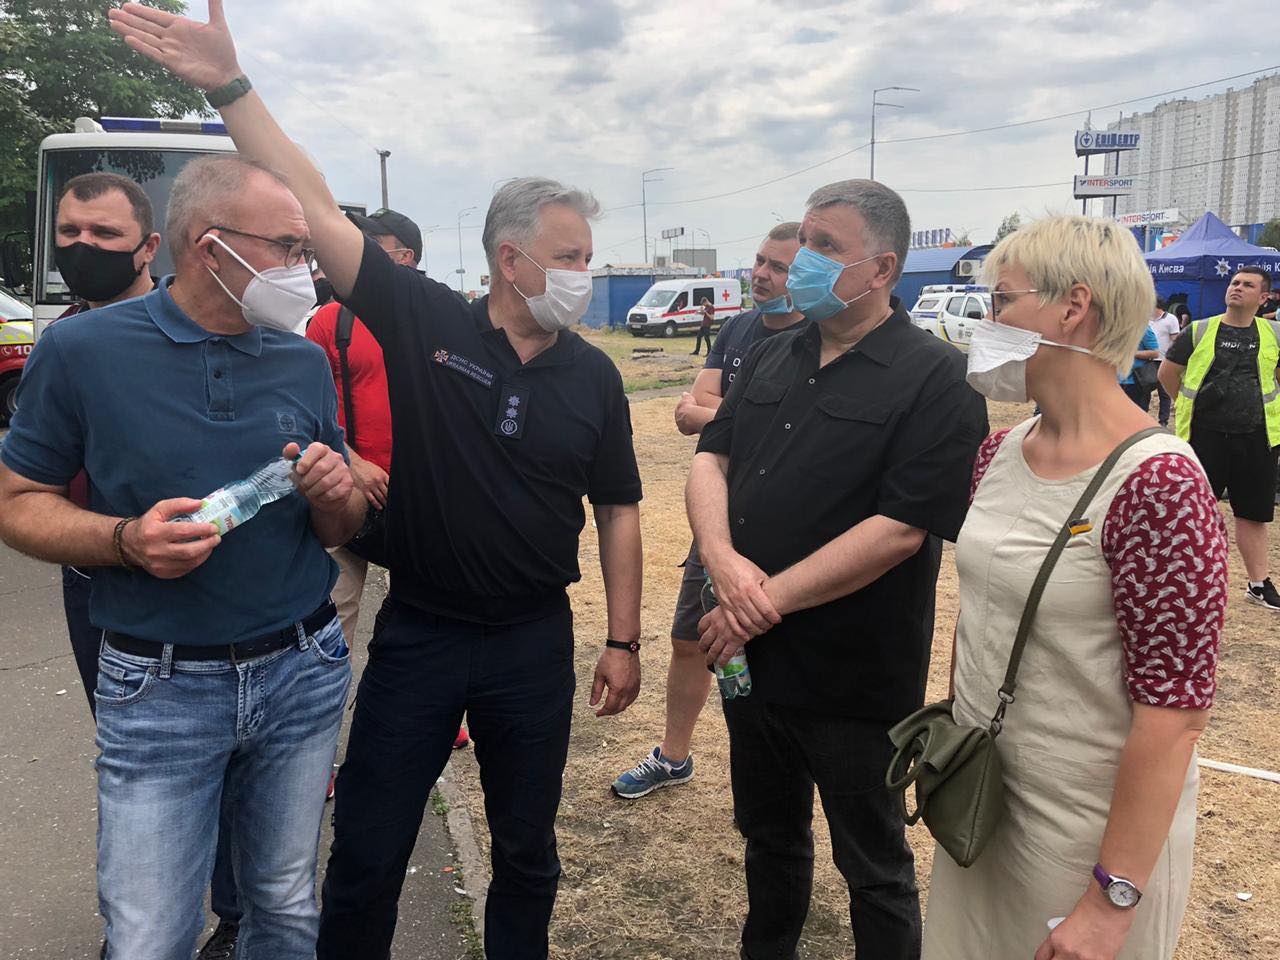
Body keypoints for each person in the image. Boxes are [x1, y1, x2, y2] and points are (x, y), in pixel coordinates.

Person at [108, 7, 645, 957]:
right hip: (423, 632)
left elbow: (619, 510)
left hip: (532, 641)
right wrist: (230, 86)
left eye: (587, 260)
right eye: (569, 259)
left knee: (527, 852)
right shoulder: (427, 320)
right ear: (510, 260)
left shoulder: (595, 375)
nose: (583, 274)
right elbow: (316, 208)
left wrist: (624, 638)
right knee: (367, 844)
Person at [0, 153, 366, 959]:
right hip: (158, 685)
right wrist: (125, 541)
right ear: (211, 247)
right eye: (288, 247)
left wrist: (336, 492)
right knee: (149, 933)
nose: (303, 269)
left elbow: (333, 529)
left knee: (284, 902)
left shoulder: (302, 357)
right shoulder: (84, 349)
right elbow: (17, 503)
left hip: (302, 666)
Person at [688, 179, 988, 960]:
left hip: (853, 680)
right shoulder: (770, 353)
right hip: (751, 666)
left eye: (827, 247)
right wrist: (721, 560)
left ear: (883, 267)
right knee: (769, 838)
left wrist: (756, 601)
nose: (804, 261)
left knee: (874, 866)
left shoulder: (937, 378)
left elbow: (899, 530)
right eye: (806, 242)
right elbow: (711, 459)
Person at [925, 214, 1227, 960]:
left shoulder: (1160, 483)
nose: (988, 320)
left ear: (1073, 307)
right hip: (985, 805)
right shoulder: (999, 451)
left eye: (1002, 300)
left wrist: (1110, 899)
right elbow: (985, 612)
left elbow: (1176, 714)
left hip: (1087, 839)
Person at [51, 171, 247, 960]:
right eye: (69, 234)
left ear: (149, 247)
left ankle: (235, 915)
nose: (84, 248)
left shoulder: (199, 331)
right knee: (131, 758)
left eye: (104, 234)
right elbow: (29, 486)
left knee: (225, 753)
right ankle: (139, 926)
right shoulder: (64, 343)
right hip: (96, 577)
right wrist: (109, 536)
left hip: (205, 578)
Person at [611, 221, 805, 799]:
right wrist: (736, 417)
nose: (762, 276)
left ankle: (777, 787)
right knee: (690, 639)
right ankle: (674, 757)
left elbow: (790, 428)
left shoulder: (815, 339)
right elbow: (690, 406)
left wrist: (717, 417)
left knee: (776, 655)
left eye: (780, 268)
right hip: (717, 516)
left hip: (786, 527)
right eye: (760, 262)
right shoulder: (739, 327)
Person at [307, 208, 471, 750]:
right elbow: (306, 408)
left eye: (370, 244)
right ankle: (319, 752)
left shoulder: (444, 318)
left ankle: (442, 718)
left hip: (425, 500)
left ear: (406, 258)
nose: (351, 253)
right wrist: (351, 461)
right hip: (347, 495)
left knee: (436, 619)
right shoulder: (329, 321)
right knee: (334, 620)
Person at [1160, 265, 1280, 610]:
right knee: (1194, 513)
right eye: (1234, 282)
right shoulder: (1199, 330)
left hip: (1258, 437)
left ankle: (1258, 584)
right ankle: (1186, 582)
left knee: (1253, 514)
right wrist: (1190, 407)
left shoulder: (1274, 333)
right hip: (1204, 437)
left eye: (1247, 285)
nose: (1237, 288)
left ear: (1264, 297)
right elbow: (1168, 374)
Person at [1150, 298, 1182, 426]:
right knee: (1144, 390)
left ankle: (1163, 421)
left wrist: (1174, 359)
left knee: (1164, 393)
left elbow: (1176, 340)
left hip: (1164, 360)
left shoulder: (1171, 319)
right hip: (1148, 360)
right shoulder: (1145, 319)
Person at [1119, 321, 1159, 410]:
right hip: (1117, 381)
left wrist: (1131, 353)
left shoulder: (1142, 328)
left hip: (1137, 381)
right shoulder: (1116, 328)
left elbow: (1155, 353)